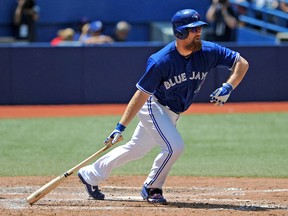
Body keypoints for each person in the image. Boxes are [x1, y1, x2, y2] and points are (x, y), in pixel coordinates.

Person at [77, 9, 249, 204]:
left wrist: (229, 86)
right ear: (180, 33)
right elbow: (141, 94)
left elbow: (241, 63)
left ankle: (90, 174)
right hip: (154, 106)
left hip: (174, 112)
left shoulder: (208, 51)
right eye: (193, 29)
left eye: (199, 28)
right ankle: (152, 187)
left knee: (136, 149)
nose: (199, 32)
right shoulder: (161, 60)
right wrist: (120, 126)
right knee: (174, 147)